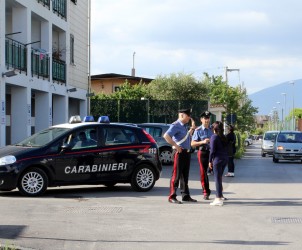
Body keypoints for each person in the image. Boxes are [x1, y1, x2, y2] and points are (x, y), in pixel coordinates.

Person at [163, 108, 197, 204]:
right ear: (182, 115)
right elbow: (166, 136)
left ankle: (185, 195)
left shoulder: (184, 126)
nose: (189, 117)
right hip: (179, 153)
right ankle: (172, 196)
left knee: (184, 176)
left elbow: (186, 137)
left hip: (186, 152)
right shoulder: (176, 125)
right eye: (188, 115)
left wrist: (192, 129)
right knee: (176, 175)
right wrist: (176, 146)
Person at [191, 111, 213, 200]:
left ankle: (220, 193)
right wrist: (202, 142)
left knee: (217, 171)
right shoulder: (198, 130)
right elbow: (192, 144)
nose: (207, 120)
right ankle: (206, 192)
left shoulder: (212, 129)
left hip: (212, 152)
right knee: (203, 173)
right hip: (203, 152)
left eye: (208, 118)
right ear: (201, 120)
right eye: (205, 118)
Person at [208, 121, 228, 206]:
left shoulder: (214, 137)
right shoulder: (223, 137)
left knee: (217, 179)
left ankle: (218, 198)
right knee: (219, 178)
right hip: (224, 159)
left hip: (217, 159)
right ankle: (220, 196)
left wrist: (210, 161)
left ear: (214, 129)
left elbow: (212, 150)